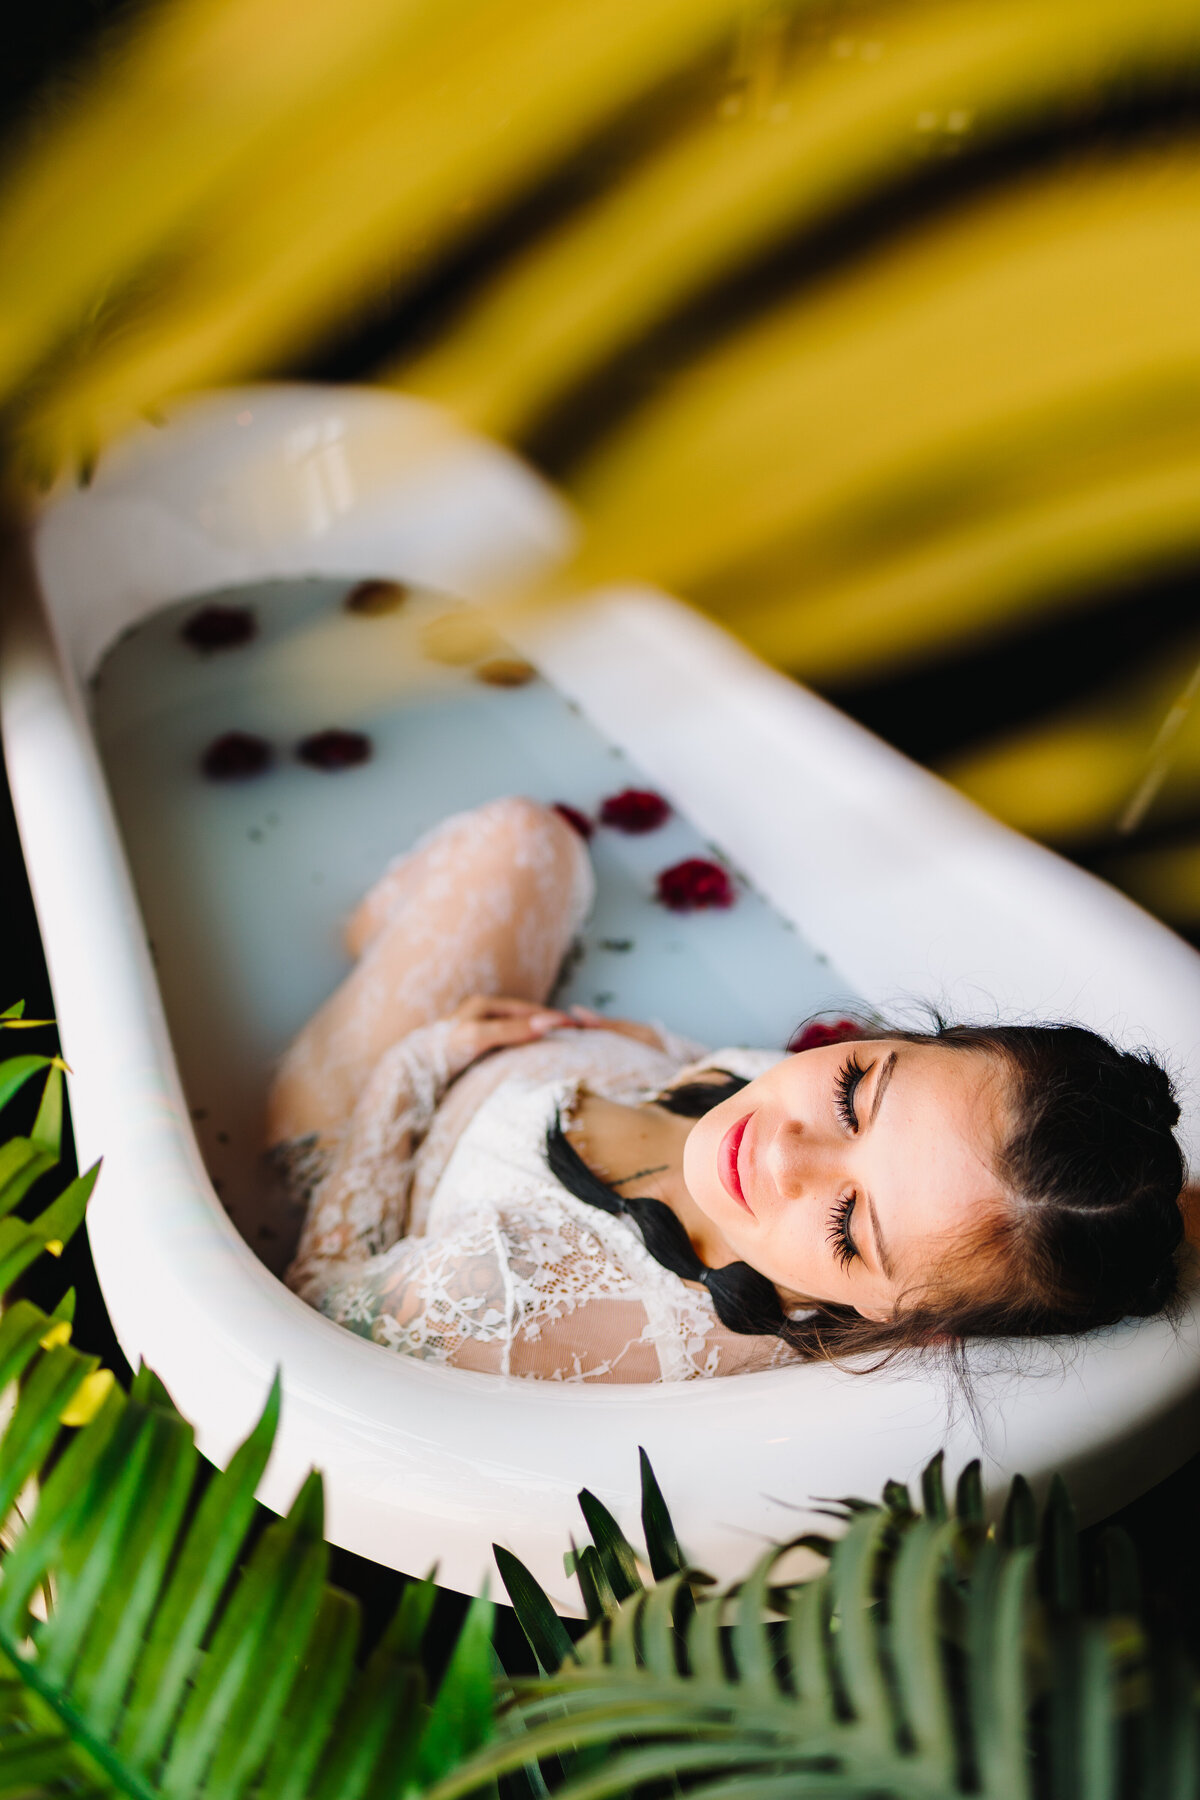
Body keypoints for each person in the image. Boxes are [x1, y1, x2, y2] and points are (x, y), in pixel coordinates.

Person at [268, 796, 1188, 1382]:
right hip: (521, 1057)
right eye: (852, 1092)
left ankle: (354, 980)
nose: (783, 1152)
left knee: (502, 846)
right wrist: (642, 1050)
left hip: (357, 1148)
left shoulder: (519, 1297)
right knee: (530, 836)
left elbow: (306, 1312)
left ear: (897, 1323)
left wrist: (414, 1067)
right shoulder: (803, 1165)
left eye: (846, 1227)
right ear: (897, 1040)